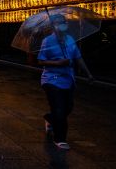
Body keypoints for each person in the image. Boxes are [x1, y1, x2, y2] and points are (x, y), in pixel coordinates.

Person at [37, 14, 94, 150]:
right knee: (59, 108)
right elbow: (41, 60)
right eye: (58, 23)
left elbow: (78, 58)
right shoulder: (47, 41)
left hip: (68, 79)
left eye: (63, 22)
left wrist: (88, 74)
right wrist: (58, 63)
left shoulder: (70, 40)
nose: (61, 24)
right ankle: (60, 138)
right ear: (53, 26)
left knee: (68, 107)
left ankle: (50, 119)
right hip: (51, 79)